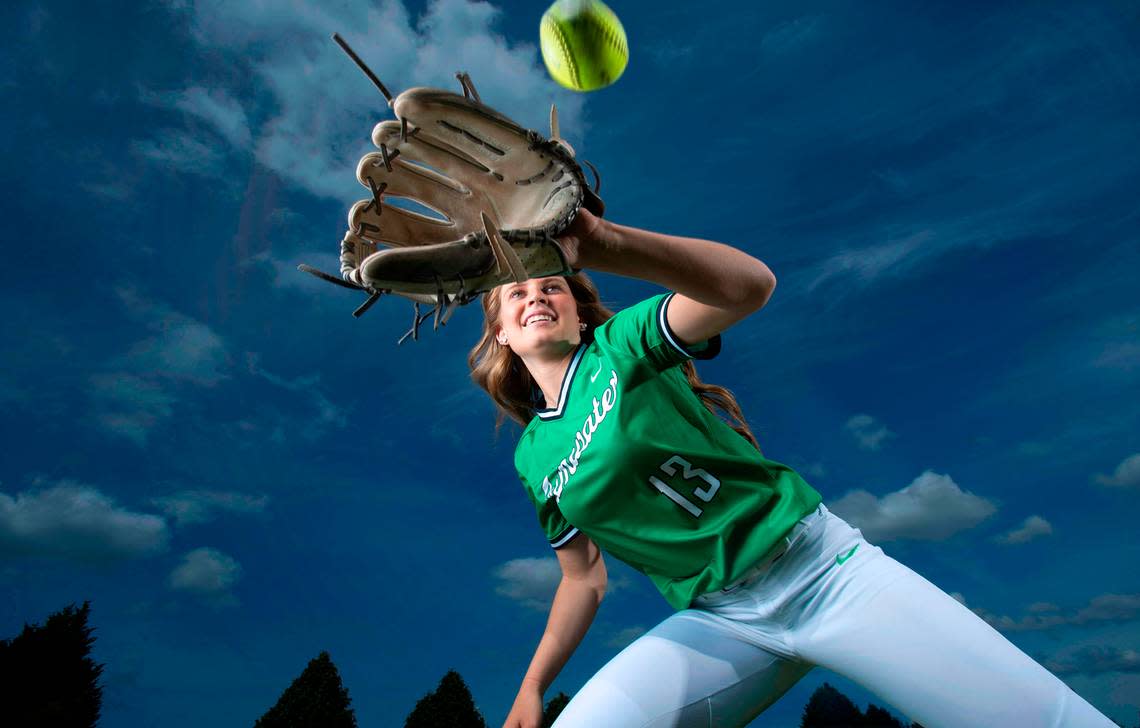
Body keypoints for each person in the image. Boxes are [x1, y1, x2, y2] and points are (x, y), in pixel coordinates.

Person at [468, 208, 1115, 728]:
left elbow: (747, 287)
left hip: (823, 573)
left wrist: (604, 241)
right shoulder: (534, 457)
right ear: (500, 332)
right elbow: (582, 580)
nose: (536, 295)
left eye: (551, 284)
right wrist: (532, 687)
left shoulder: (620, 346)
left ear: (579, 313)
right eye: (516, 292)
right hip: (724, 620)